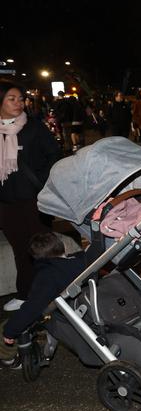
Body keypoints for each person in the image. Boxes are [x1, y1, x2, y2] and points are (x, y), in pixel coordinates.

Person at [0, 80, 61, 312]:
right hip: (6, 202)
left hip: (35, 199)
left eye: (21, 98)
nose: (19, 103)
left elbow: (54, 155)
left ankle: (56, 291)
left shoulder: (33, 126)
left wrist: (39, 181)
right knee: (20, 250)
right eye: (12, 98)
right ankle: (25, 294)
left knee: (44, 247)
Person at [0, 232, 85, 366]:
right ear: (63, 246)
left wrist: (10, 331)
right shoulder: (82, 260)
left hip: (63, 316)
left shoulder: (47, 276)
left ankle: (10, 360)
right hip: (85, 305)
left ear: (36, 258)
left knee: (9, 325)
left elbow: (32, 308)